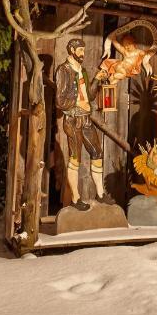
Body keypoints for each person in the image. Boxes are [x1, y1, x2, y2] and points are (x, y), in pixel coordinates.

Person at [55, 38, 114, 211]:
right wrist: (78, 103)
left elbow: (90, 95)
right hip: (73, 120)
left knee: (97, 152)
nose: (83, 53)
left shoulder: (83, 71)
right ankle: (75, 198)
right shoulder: (63, 70)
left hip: (86, 119)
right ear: (71, 50)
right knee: (75, 157)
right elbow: (60, 100)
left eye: (83, 50)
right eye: (80, 50)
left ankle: (100, 194)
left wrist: (96, 78)